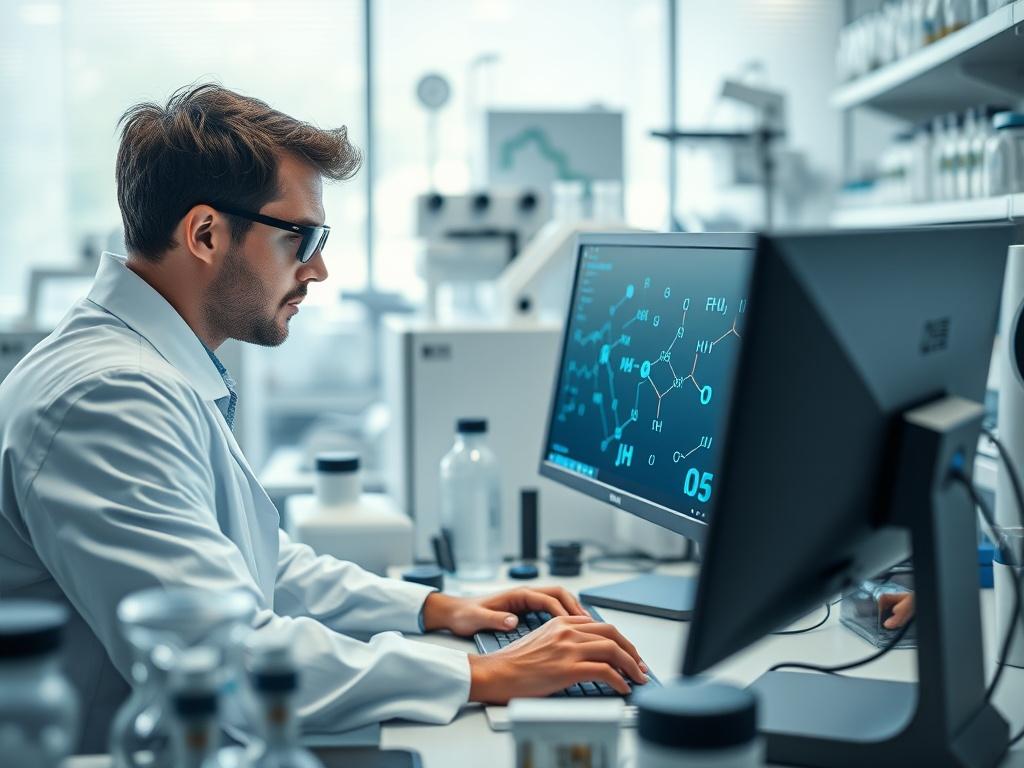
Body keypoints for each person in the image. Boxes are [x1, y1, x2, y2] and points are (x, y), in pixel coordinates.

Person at [0, 84, 647, 753]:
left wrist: (437, 610)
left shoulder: (148, 369)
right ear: (205, 234)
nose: (319, 268)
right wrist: (482, 672)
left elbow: (258, 566)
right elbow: (224, 660)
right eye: (300, 237)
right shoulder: (107, 398)